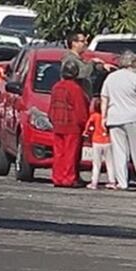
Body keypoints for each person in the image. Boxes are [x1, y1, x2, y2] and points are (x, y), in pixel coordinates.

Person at [101, 51, 136, 191]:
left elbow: (104, 99)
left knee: (119, 151)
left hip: (114, 118)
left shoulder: (110, 78)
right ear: (132, 64)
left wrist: (103, 117)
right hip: (134, 117)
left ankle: (122, 182)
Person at [49, 60, 90, 188]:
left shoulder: (56, 86)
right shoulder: (75, 88)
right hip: (72, 126)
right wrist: (84, 124)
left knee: (59, 153)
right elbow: (80, 109)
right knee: (70, 154)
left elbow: (52, 107)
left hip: (58, 124)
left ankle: (58, 178)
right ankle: (68, 178)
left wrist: (52, 119)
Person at [85, 100, 113, 190]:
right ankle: (112, 181)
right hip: (108, 141)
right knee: (110, 163)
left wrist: (87, 134)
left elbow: (88, 127)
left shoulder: (94, 116)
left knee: (96, 163)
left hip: (96, 141)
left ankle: (94, 182)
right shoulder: (108, 117)